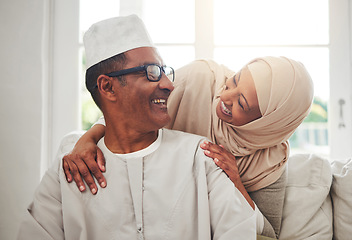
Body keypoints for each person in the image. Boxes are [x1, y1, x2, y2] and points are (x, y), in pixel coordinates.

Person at [17, 15, 256, 240]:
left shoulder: (200, 156)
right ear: (108, 87)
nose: (169, 85)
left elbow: (239, 230)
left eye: (164, 71)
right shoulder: (71, 167)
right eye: (152, 72)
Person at [63, 52, 314, 238]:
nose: (224, 97)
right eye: (234, 81)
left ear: (267, 123)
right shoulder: (198, 80)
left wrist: (236, 182)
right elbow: (130, 109)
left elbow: (267, 234)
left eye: (242, 104)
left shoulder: (269, 161)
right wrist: (89, 137)